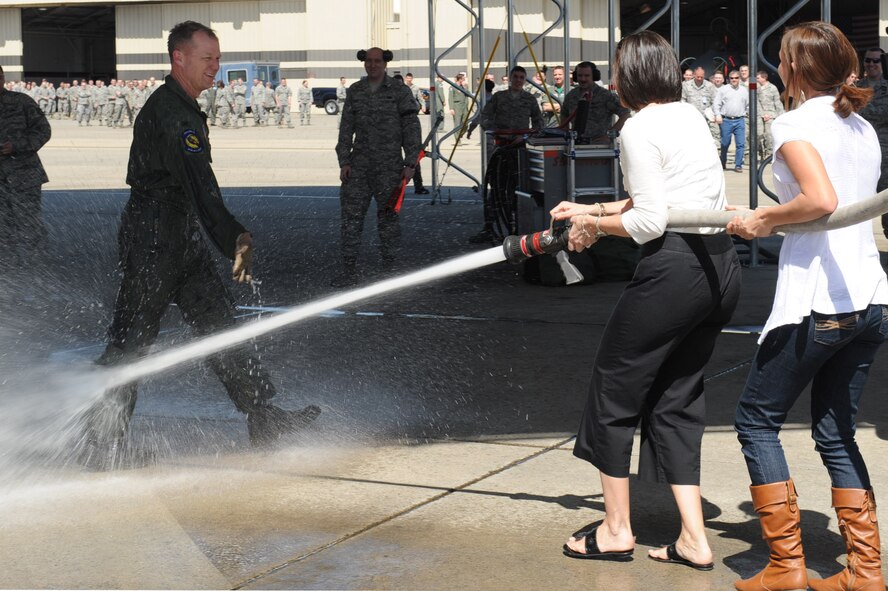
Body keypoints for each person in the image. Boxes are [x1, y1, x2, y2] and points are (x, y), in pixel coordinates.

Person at [79, 21, 320, 470]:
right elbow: (199, 186)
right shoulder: (172, 115)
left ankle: (263, 418)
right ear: (179, 59)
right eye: (207, 58)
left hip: (177, 237)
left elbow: (193, 193)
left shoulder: (181, 105)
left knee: (221, 327)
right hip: (154, 242)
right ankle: (103, 446)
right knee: (130, 345)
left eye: (218, 57)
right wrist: (234, 238)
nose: (216, 66)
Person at [552, 30, 741, 570]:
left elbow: (649, 220)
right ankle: (694, 540)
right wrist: (594, 205)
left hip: (673, 271)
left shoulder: (636, 127)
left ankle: (616, 530)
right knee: (676, 399)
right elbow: (671, 194)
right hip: (720, 269)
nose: (610, 78)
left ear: (629, 74)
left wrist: (597, 224)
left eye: (615, 69)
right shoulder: (687, 115)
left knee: (614, 391)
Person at [727, 22, 886, 591]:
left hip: (819, 300)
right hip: (869, 296)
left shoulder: (793, 122)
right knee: (837, 431)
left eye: (783, 62)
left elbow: (821, 200)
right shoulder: (862, 126)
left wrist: (761, 218)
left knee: (754, 420)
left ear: (794, 70)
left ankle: (786, 567)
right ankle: (865, 571)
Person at [333, 47, 421, 287]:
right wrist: (344, 161)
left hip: (389, 168)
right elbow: (345, 129)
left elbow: (411, 128)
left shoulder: (399, 91)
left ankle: (390, 272)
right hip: (358, 168)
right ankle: (349, 272)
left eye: (377, 61)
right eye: (368, 61)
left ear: (385, 63)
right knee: (351, 221)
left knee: (389, 221)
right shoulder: (355, 91)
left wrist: (410, 162)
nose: (372, 65)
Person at [0, 65, 52, 271]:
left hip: (24, 177)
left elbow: (43, 131)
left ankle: (37, 268)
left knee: (29, 226)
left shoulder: (21, 102)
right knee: (3, 228)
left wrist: (17, 146)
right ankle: (8, 270)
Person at [857, 47, 888, 238]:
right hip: (859, 155)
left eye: (876, 61)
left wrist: (861, 114)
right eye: (868, 60)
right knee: (858, 204)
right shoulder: (854, 89)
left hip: (886, 157)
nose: (871, 64)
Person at [561, 61, 629, 142]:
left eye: (587, 76)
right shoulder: (571, 96)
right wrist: (566, 132)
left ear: (594, 76)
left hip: (600, 146)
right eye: (580, 75)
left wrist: (609, 135)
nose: (583, 79)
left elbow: (626, 115)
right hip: (576, 145)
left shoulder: (605, 95)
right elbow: (564, 113)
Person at [714, 69, 748, 172]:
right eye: (732, 78)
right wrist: (718, 115)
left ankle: (738, 165)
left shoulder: (744, 90)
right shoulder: (723, 90)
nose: (734, 80)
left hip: (739, 120)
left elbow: (748, 104)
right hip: (726, 120)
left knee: (740, 144)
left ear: (739, 79)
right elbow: (716, 103)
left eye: (736, 78)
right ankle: (723, 162)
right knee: (725, 143)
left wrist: (746, 113)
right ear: (729, 79)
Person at [755, 70, 783, 160]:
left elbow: (777, 102)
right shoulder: (756, 88)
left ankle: (769, 154)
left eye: (758, 78)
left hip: (771, 115)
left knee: (769, 135)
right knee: (759, 134)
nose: (756, 79)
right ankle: (761, 153)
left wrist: (780, 116)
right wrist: (762, 114)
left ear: (764, 78)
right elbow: (756, 102)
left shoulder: (772, 88)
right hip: (760, 115)